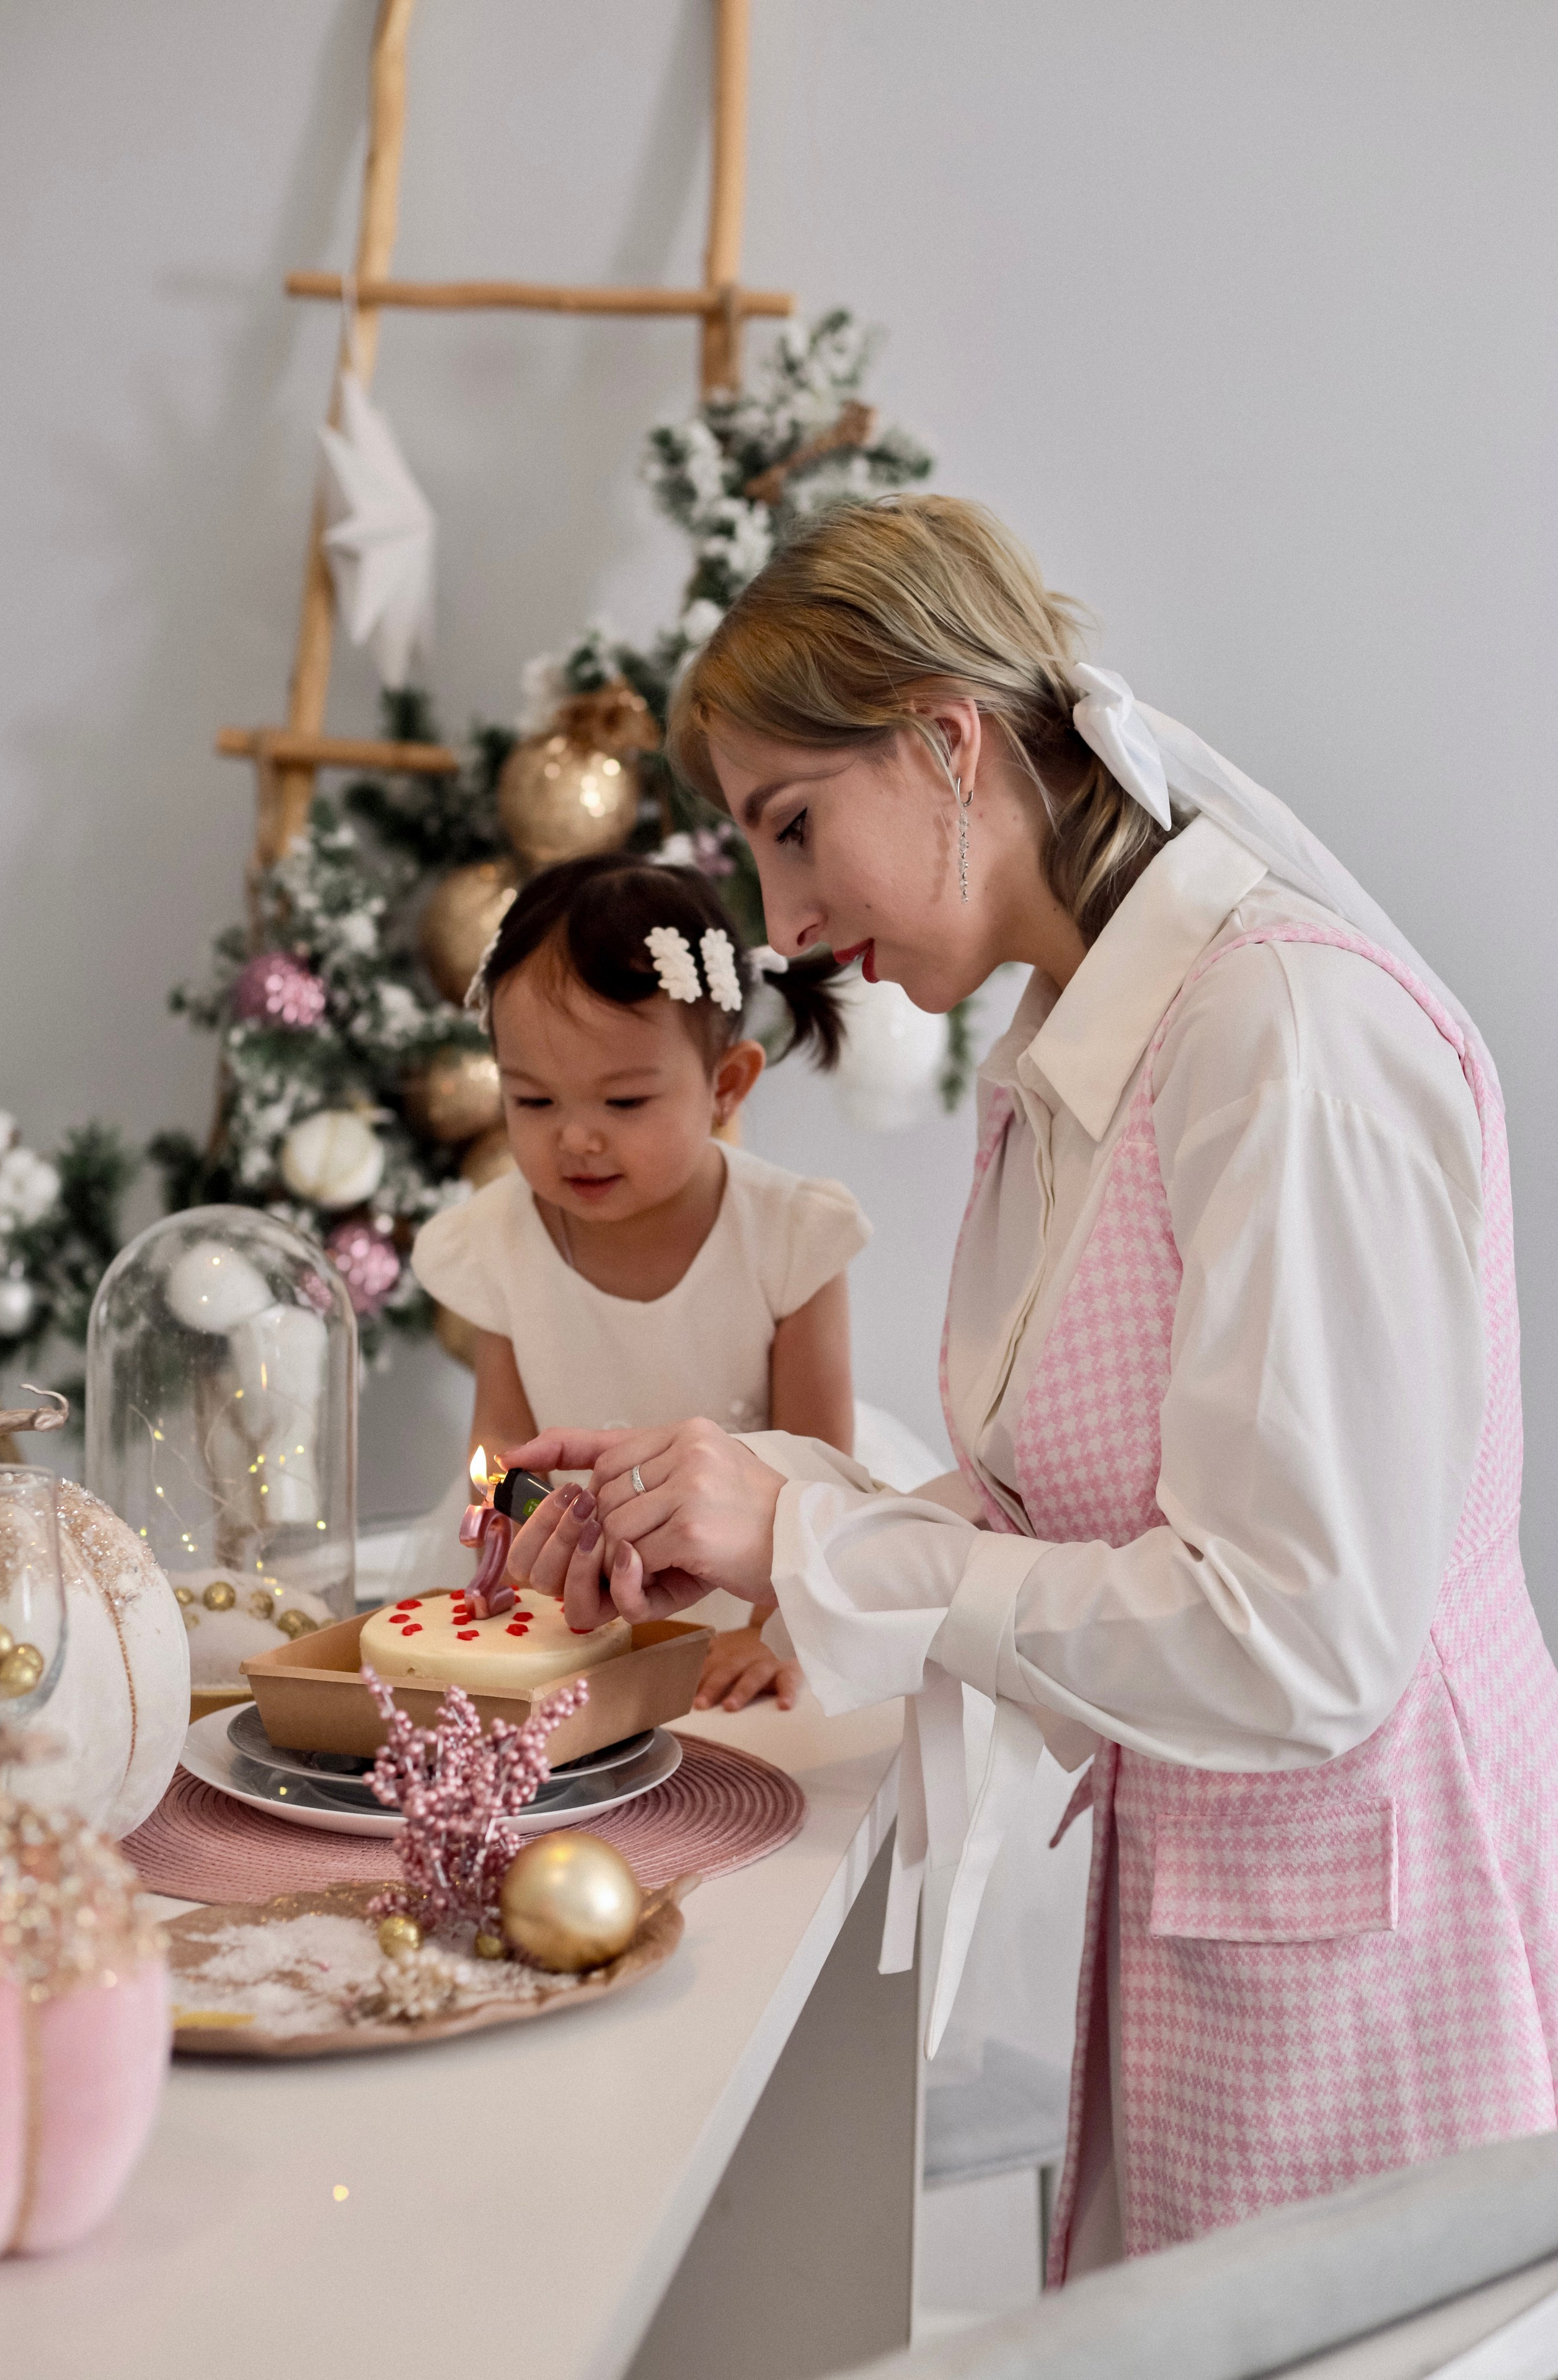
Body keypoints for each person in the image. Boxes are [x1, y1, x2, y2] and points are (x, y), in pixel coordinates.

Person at [497, 494, 1558, 2278]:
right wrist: (758, 1513)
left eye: (793, 826)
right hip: (1228, 1938)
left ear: (946, 738)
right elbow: (1062, 1509)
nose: (790, 915)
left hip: (1385, 1961)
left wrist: (826, 1548)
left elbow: (1294, 1640)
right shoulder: (1078, 1044)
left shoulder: (1279, 1046)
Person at [408, 851, 870, 1711]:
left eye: (622, 1104)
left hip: (750, 1585)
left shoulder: (788, 1236)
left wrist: (771, 1631)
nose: (576, 1139)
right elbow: (502, 1448)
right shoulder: (501, 1237)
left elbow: (821, 1469)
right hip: (569, 1584)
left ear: (725, 1086)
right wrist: (523, 1564)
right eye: (534, 1102)